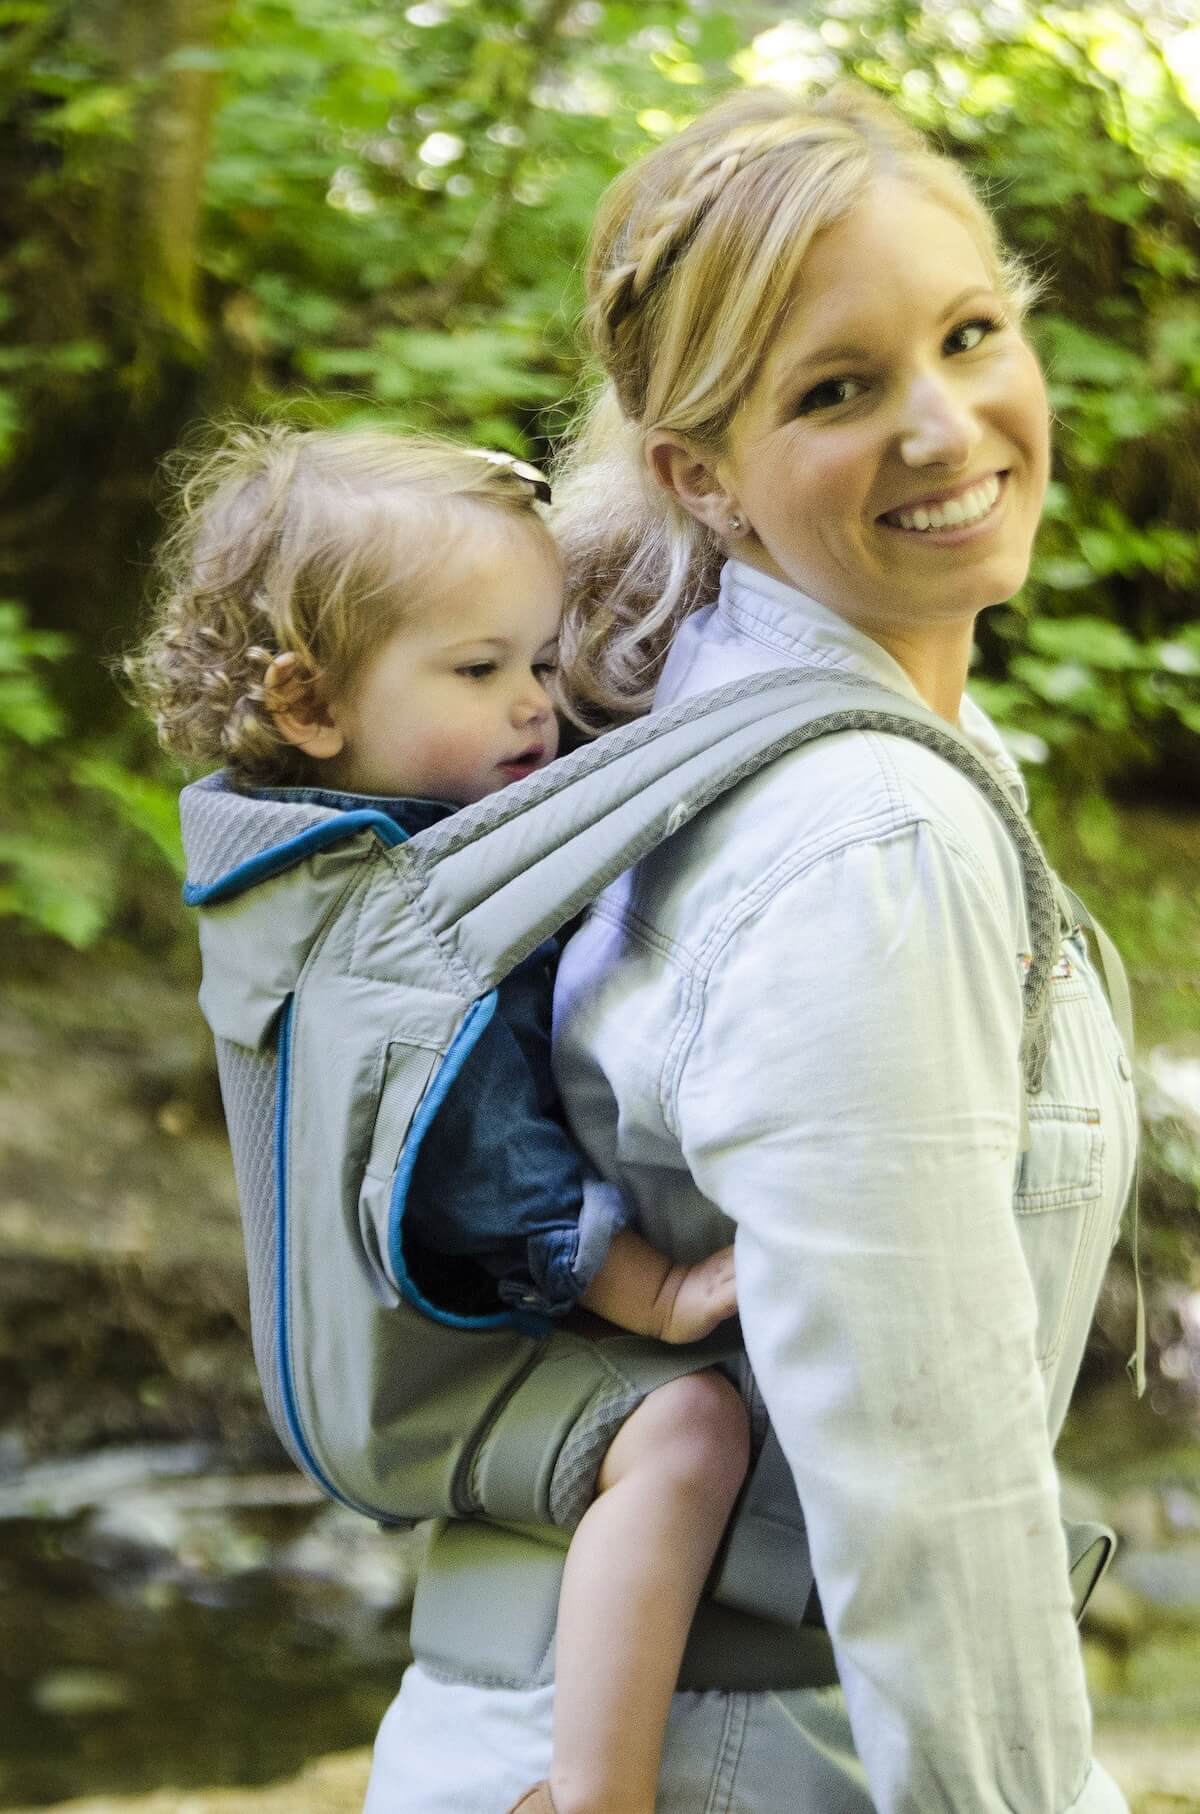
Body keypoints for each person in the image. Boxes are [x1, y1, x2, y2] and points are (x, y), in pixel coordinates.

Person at [364, 83, 1139, 1813]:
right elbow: (921, 1488)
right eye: (839, 390)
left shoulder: (681, 720)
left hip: (521, 1725)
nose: (946, 428)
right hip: (736, 1757)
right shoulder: (871, 834)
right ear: (698, 476)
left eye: (971, 334)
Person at [127, 427, 751, 1814]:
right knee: (689, 1433)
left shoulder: (290, 851)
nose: (538, 706)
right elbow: (473, 1162)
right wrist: (647, 1288)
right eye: (481, 672)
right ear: (308, 701)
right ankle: (593, 1788)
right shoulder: (396, 918)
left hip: (349, 1352)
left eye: (540, 660)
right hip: (419, 1381)